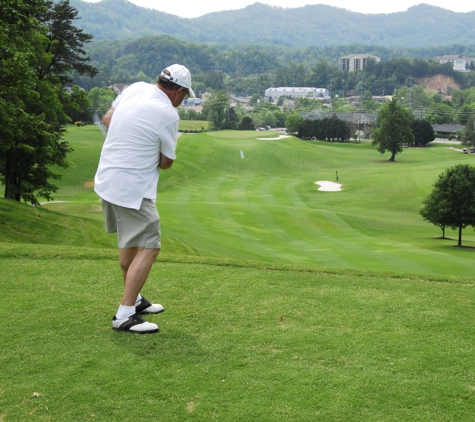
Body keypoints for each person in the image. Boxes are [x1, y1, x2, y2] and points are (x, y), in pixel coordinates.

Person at [94, 64, 195, 334]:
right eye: (185, 96)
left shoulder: (136, 88)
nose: (183, 102)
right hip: (132, 188)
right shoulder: (168, 113)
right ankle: (124, 315)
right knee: (150, 246)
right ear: (180, 91)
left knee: (131, 242)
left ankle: (135, 300)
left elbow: (108, 120)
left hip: (107, 179)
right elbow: (166, 163)